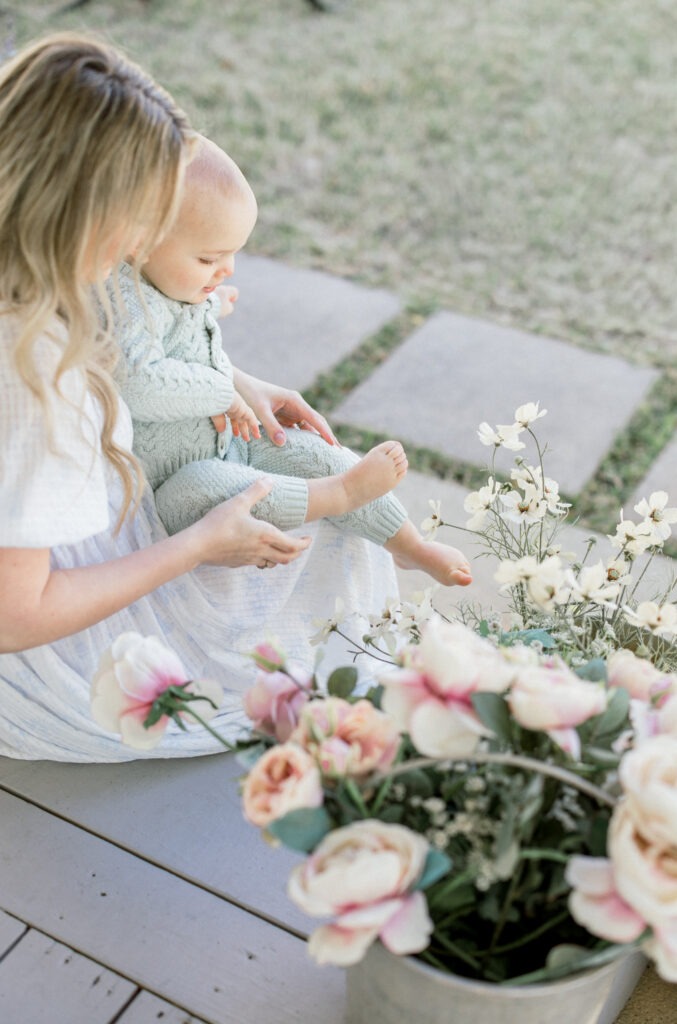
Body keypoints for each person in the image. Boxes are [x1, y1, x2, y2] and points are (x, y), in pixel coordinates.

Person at [0, 33, 398, 762]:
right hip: (30, 656)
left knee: (302, 479)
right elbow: (15, 617)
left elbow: (130, 354)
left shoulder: (30, 260)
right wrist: (195, 546)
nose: (142, 245)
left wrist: (234, 379)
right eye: (141, 221)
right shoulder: (28, 371)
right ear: (84, 213)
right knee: (324, 523)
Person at [112, 138, 473, 587]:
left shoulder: (172, 279)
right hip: (171, 488)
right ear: (139, 243)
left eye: (232, 254)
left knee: (304, 450)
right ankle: (337, 496)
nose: (227, 268)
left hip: (230, 443)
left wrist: (211, 301)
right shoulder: (124, 301)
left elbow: (183, 322)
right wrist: (226, 389)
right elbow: (139, 382)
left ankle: (409, 545)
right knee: (208, 486)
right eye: (209, 258)